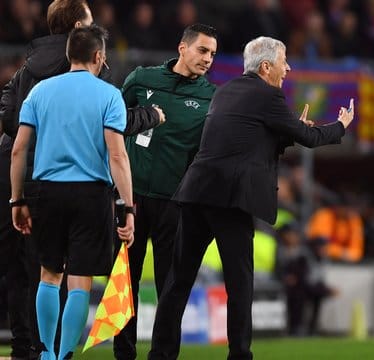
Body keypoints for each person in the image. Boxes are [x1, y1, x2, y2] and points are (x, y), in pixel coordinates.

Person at [148, 36, 354, 360]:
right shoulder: (267, 96)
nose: (288, 68)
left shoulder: (225, 91)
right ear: (266, 66)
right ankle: (240, 355)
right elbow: (310, 138)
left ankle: (160, 355)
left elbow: (245, 140)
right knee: (240, 285)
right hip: (230, 199)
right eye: (284, 61)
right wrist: (340, 125)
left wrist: (285, 133)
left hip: (196, 192)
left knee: (178, 282)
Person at [0, 1, 161, 358]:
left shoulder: (38, 91)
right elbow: (118, 156)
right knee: (79, 283)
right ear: (99, 56)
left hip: (45, 192)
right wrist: (128, 207)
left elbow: (17, 150)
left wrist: (17, 200)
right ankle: (62, 355)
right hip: (91, 194)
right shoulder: (109, 96)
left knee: (47, 275)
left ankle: (43, 351)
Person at [113, 23, 217, 360]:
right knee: (125, 281)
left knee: (170, 287)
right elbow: (113, 122)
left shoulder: (210, 97)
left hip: (174, 203)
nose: (208, 59)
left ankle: (164, 355)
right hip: (131, 200)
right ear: (182, 48)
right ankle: (123, 353)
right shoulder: (142, 79)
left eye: (213, 54)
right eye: (203, 50)